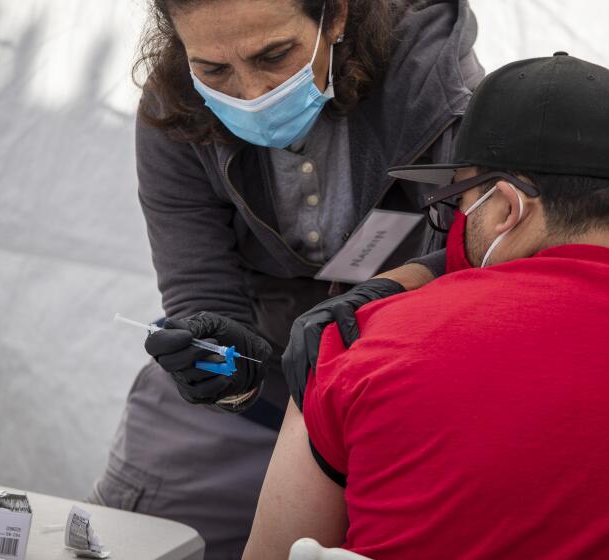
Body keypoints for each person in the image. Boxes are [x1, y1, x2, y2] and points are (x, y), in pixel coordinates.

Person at [243, 53, 609, 559]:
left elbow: (272, 551)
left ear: (507, 208)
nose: (451, 226)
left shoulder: (358, 342)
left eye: (459, 202)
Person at [91, 0, 483, 557]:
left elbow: (480, 257)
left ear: (337, 17)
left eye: (274, 56)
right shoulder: (173, 105)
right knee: (138, 539)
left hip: (402, 384)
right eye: (214, 70)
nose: (249, 93)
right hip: (258, 389)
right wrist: (221, 358)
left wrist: (371, 302)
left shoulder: (436, 82)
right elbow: (200, 285)